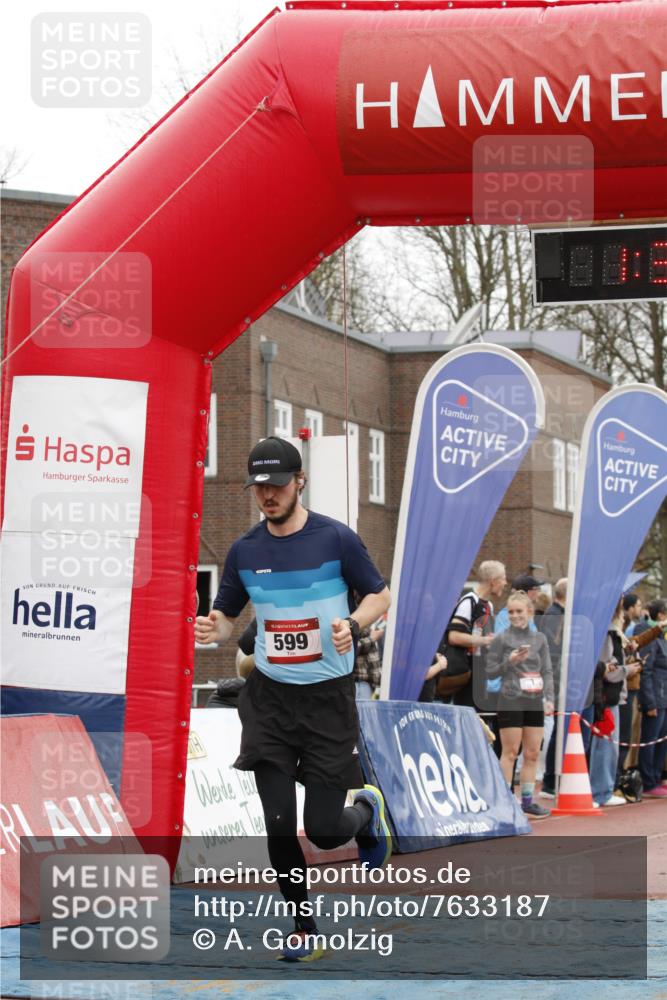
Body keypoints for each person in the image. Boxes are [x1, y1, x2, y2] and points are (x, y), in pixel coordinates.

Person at [195, 437, 392, 960]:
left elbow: (380, 594)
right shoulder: (245, 550)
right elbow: (226, 618)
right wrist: (211, 628)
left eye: (277, 485)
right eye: (259, 487)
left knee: (326, 833)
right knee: (279, 820)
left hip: (328, 701)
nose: (267, 495)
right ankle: (304, 927)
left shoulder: (336, 539)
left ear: (299, 481)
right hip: (270, 701)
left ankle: (366, 814)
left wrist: (353, 622)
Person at [486, 590, 554, 819]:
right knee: (511, 751)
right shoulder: (501, 638)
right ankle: (505, 801)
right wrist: (510, 661)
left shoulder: (540, 639)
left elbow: (547, 671)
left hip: (534, 700)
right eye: (511, 611)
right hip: (510, 699)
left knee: (533, 752)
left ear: (530, 612)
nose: (515, 615)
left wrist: (550, 698)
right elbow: (491, 671)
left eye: (519, 611)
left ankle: (527, 802)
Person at [443, 560, 506, 708]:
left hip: (481, 673)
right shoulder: (469, 601)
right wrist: (485, 640)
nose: (505, 583)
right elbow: (454, 636)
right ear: (493, 581)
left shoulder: (488, 605)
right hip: (465, 673)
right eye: (503, 578)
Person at [589, 598, 632, 807]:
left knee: (608, 744)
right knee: (604, 744)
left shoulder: (612, 631)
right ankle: (600, 791)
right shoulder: (607, 632)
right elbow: (608, 669)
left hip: (611, 695)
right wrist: (630, 670)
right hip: (606, 696)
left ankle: (602, 789)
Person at [537, 578, 567, 798]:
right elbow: (552, 648)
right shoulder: (555, 615)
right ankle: (550, 781)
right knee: (555, 728)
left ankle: (553, 778)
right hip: (555, 680)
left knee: (556, 728)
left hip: (555, 678)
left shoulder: (554, 614)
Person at [635, 599, 667, 798]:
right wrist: (650, 702)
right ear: (661, 615)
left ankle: (656, 777)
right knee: (650, 740)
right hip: (656, 696)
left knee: (663, 740)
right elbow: (646, 670)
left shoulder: (663, 637)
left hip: (665, 697)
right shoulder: (652, 638)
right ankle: (648, 781)